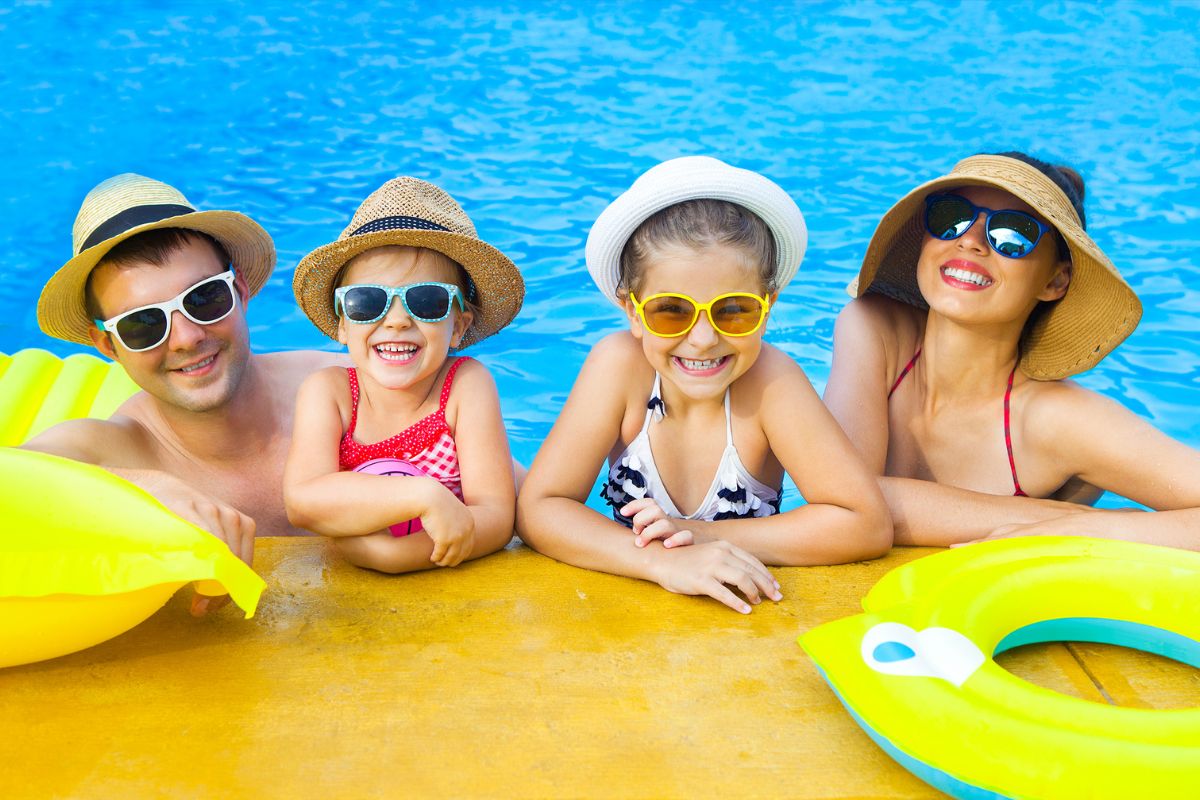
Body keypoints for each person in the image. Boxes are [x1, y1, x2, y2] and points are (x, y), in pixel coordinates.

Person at [517, 156, 891, 613]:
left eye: (734, 310)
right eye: (670, 310)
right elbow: (541, 508)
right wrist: (662, 562)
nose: (702, 339)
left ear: (768, 306)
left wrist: (698, 534)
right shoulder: (618, 368)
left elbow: (864, 524)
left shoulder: (772, 383)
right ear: (633, 312)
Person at [824, 152, 1200, 549]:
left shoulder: (1056, 419)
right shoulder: (874, 328)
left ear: (1055, 281)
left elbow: (852, 503)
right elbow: (840, 498)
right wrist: (1061, 516)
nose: (970, 241)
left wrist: (1088, 531)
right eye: (951, 217)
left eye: (1013, 235)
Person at [22, 173, 345, 613]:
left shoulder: (348, 389)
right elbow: (14, 477)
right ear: (107, 346)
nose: (186, 338)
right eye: (143, 324)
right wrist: (149, 489)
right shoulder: (110, 449)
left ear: (241, 291)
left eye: (204, 298)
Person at [283, 177, 524, 573]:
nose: (396, 321)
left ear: (459, 326)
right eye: (367, 302)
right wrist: (421, 496)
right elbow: (303, 501)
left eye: (426, 300)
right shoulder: (329, 393)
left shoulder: (465, 387)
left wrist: (394, 556)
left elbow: (496, 518)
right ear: (342, 324)